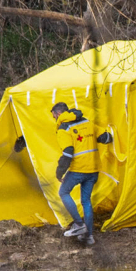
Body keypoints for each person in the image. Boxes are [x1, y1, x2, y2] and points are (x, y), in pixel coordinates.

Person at [52, 101, 112, 245]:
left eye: (54, 116)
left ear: (59, 114)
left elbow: (68, 152)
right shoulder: (87, 122)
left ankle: (79, 225)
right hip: (93, 169)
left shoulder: (64, 129)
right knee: (86, 201)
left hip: (79, 168)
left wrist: (59, 173)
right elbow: (106, 138)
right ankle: (88, 236)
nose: (55, 119)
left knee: (63, 192)